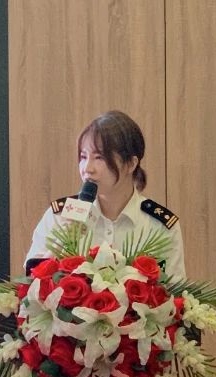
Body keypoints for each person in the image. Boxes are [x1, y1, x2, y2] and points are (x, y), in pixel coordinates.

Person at [24, 110, 186, 281]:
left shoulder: (159, 226)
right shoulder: (59, 216)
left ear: (131, 164)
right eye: (83, 156)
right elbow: (31, 284)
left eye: (99, 157)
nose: (87, 168)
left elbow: (174, 289)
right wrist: (58, 247)